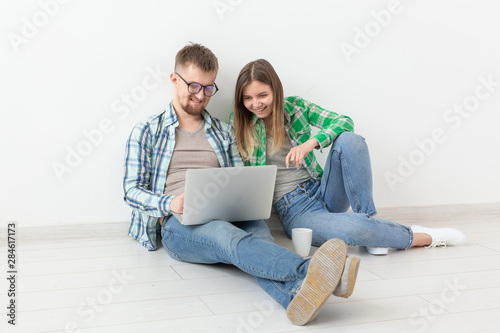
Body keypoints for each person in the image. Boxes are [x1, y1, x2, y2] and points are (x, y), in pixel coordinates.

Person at [123, 43, 361, 326]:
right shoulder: (147, 130)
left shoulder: (224, 131)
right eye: (194, 86)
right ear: (175, 80)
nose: (201, 96)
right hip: (178, 222)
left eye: (209, 88)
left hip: (229, 209)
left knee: (258, 242)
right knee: (227, 237)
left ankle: (295, 297)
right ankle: (316, 271)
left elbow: (239, 175)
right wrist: (170, 202)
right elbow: (131, 191)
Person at [231, 59, 466, 255]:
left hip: (322, 187)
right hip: (295, 209)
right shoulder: (239, 124)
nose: (256, 104)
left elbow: (344, 121)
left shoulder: (296, 107)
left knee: (350, 139)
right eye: (248, 98)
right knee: (354, 231)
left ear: (276, 90)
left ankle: (369, 220)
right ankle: (422, 237)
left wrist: (310, 144)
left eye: (262, 95)